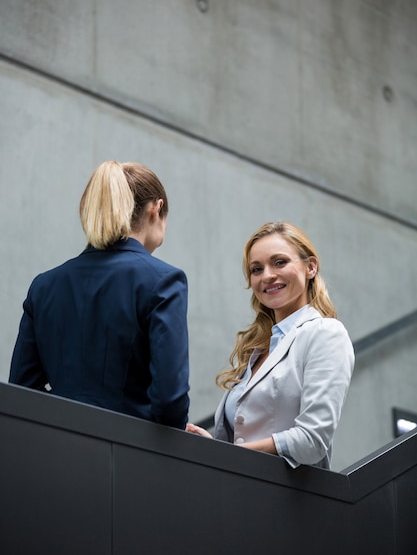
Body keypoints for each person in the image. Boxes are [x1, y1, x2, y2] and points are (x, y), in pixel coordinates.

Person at [9, 160, 189, 429]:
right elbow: (170, 403)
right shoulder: (164, 280)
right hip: (132, 456)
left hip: (54, 451)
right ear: (156, 208)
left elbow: (22, 390)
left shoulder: (44, 285)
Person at [187, 221, 354, 467]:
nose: (267, 276)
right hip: (242, 491)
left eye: (279, 262)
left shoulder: (325, 333)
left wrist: (226, 455)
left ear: (310, 267)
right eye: (256, 269)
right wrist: (216, 447)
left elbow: (312, 440)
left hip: (291, 501)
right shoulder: (259, 349)